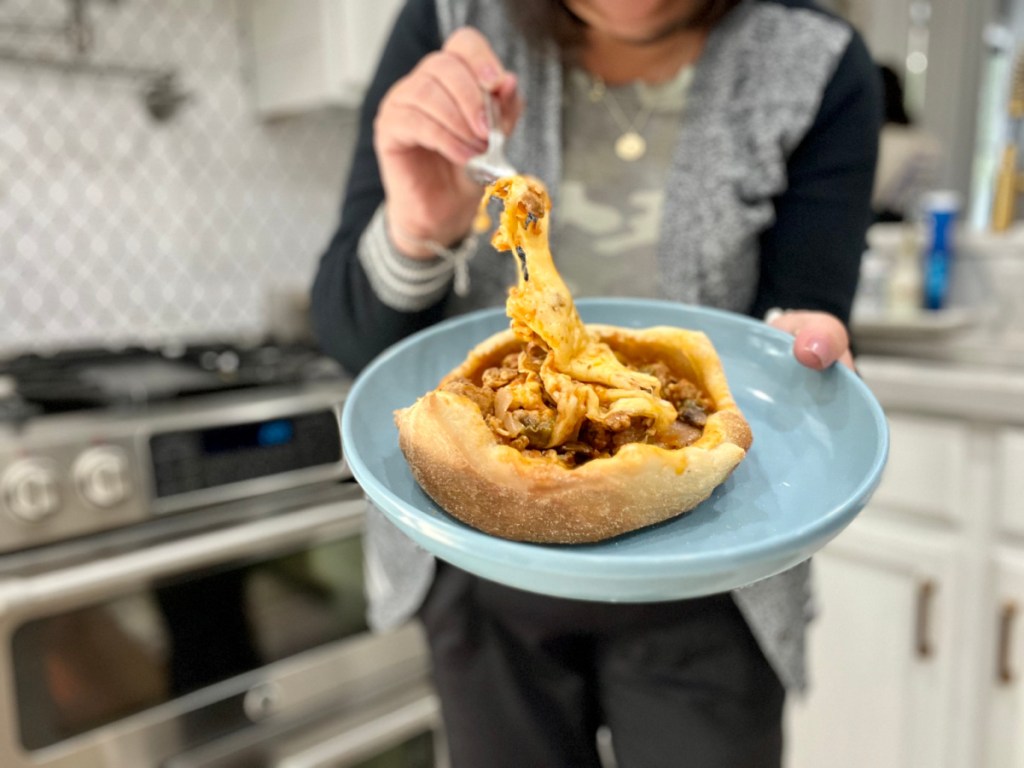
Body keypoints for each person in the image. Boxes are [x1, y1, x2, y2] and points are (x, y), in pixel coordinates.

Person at [311, 1, 881, 766]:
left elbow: (802, 311)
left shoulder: (816, 59)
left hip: (716, 573)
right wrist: (417, 229)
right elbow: (351, 339)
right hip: (477, 562)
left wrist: (801, 348)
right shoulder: (453, 18)